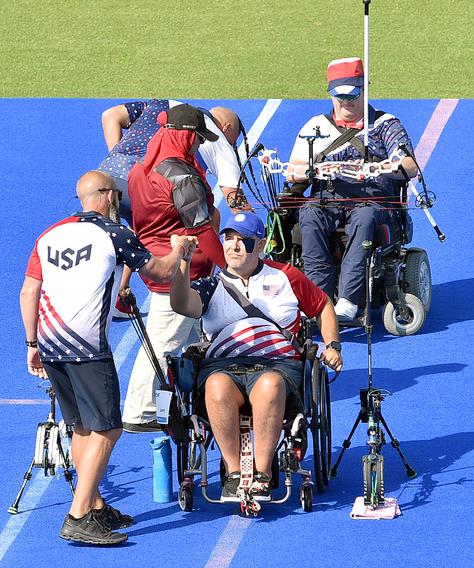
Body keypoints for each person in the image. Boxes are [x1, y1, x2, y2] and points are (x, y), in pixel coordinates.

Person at [19, 171, 197, 545]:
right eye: (116, 194)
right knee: (108, 428)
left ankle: (95, 505)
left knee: (83, 427)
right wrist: (180, 249)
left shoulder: (48, 235)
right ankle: (78, 515)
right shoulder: (113, 233)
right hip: (86, 346)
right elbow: (161, 271)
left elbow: (28, 292)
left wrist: (31, 343)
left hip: (51, 344)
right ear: (105, 196)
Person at [169, 211, 343, 502]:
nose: (234, 246)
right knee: (215, 386)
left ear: (260, 245)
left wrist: (333, 345)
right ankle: (234, 473)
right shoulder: (212, 284)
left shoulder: (286, 276)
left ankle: (262, 473)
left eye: (244, 241)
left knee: (270, 384)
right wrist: (184, 262)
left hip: (279, 365)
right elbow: (181, 303)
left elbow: (323, 305)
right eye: (229, 239)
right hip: (223, 365)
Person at [120, 104, 235, 433]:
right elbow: (202, 230)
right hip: (181, 271)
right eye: (198, 139)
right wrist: (230, 269)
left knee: (179, 338)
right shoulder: (181, 175)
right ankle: (141, 411)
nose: (199, 146)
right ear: (186, 136)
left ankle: (172, 402)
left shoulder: (141, 168)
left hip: (158, 264)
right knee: (164, 342)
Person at [288, 57, 419, 322]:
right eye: (340, 96)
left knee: (364, 217)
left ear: (364, 90)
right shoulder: (315, 127)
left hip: (373, 200)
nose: (346, 102)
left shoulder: (385, 124)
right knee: (309, 214)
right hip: (327, 198)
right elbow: (293, 170)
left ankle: (348, 299)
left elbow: (410, 165)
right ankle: (318, 299)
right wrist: (312, 170)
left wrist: (383, 168)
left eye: (353, 95)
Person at [98, 99, 249, 221]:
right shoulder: (222, 145)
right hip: (146, 192)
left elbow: (110, 115)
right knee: (209, 215)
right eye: (233, 142)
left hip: (103, 177)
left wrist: (118, 159)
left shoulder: (160, 103)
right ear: (226, 128)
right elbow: (236, 203)